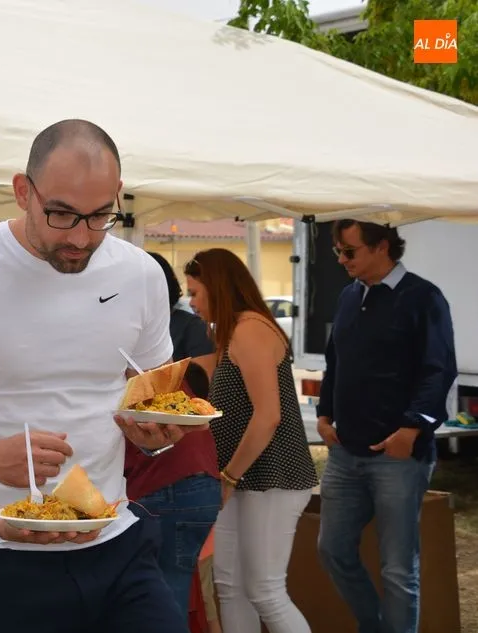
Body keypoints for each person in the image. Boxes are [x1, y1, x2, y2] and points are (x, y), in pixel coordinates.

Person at [0, 119, 198, 633]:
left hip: (113, 536)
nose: (82, 237)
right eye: (62, 214)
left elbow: (152, 394)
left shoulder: (141, 274)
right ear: (24, 191)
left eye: (101, 215)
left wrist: (154, 434)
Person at [316, 220, 456, 633]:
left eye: (349, 251)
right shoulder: (348, 296)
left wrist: (411, 430)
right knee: (332, 550)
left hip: (399, 457)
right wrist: (324, 413)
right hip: (345, 452)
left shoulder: (424, 297)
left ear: (381, 247)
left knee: (397, 568)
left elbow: (438, 370)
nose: (341, 260)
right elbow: (336, 362)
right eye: (338, 252)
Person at [184, 248, 317, 633]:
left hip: (273, 477)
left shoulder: (250, 329)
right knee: (231, 589)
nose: (191, 302)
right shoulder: (231, 333)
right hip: (240, 479)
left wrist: (229, 476)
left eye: (195, 292)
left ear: (217, 287)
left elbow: (268, 416)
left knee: (265, 591)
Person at [123, 251, 220, 620]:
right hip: (196, 480)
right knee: (169, 590)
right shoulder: (154, 353)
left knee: (161, 596)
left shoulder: (134, 352)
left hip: (167, 485)